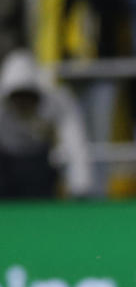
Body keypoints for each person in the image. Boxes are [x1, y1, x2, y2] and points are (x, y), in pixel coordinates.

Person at [0, 48, 93, 198]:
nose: (22, 103)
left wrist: (80, 186)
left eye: (27, 96)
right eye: (18, 96)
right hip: (5, 167)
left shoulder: (57, 100)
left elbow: (75, 143)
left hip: (40, 167)